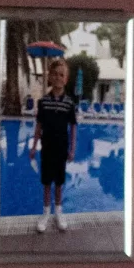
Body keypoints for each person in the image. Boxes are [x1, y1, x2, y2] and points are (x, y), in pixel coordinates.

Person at [30, 60, 79, 234]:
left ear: (66, 79)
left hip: (61, 149)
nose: (58, 77)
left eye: (61, 75)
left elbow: (73, 127)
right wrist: (34, 146)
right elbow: (39, 126)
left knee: (59, 182)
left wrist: (72, 149)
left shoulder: (69, 103)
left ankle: (58, 211)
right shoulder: (43, 102)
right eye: (55, 74)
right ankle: (45, 212)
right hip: (47, 149)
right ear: (50, 77)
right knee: (46, 182)